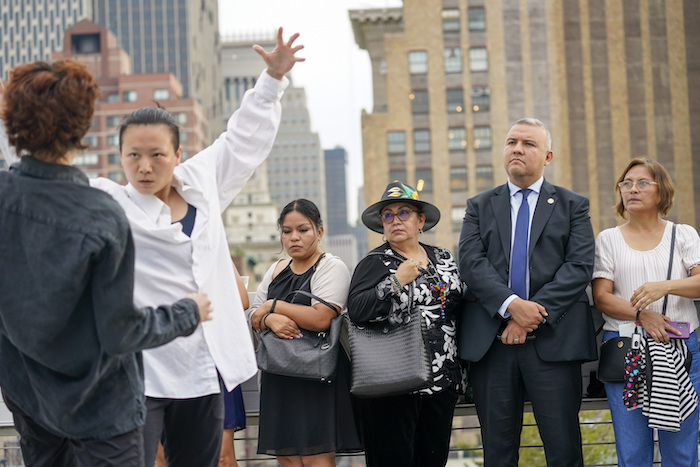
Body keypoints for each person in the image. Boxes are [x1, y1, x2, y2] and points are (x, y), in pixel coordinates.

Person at [0, 27, 303, 467]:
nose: (145, 167)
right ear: (119, 156)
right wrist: (18, 118)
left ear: (178, 154)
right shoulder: (106, 203)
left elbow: (243, 140)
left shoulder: (204, 183)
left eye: (157, 155)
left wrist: (272, 80)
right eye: (133, 156)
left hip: (206, 362)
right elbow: (43, 177)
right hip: (145, 364)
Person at [0, 59, 211, 466]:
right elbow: (120, 333)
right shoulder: (100, 214)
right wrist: (188, 312)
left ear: (13, 123)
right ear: (82, 129)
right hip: (103, 407)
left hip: (28, 395)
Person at [458, 118, 596, 466]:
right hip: (493, 344)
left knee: (563, 450)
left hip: (554, 342)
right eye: (511, 142)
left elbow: (578, 267)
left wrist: (529, 316)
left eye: (528, 144)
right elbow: (472, 264)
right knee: (498, 452)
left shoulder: (572, 205)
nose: (517, 148)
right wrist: (511, 306)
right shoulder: (478, 206)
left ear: (547, 156)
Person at [347, 181, 465, 466]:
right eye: (388, 215)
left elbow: (460, 306)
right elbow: (357, 309)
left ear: (420, 220)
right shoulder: (374, 263)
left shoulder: (443, 258)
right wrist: (396, 281)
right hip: (393, 384)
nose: (395, 220)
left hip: (441, 383)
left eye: (404, 213)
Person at [591, 158, 700, 466]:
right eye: (626, 184)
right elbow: (602, 297)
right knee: (633, 450)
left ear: (661, 191)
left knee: (681, 450)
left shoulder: (683, 235)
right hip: (627, 350)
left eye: (642, 183)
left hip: (679, 348)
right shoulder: (609, 238)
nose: (632, 189)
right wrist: (642, 315)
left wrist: (663, 287)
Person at [248, 199, 361, 466]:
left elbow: (321, 318)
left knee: (317, 458)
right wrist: (271, 319)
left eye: (303, 229)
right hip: (278, 373)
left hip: (316, 374)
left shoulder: (330, 266)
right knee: (286, 458)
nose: (294, 237)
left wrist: (273, 306)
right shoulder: (276, 269)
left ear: (319, 232)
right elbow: (255, 316)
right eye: (287, 231)